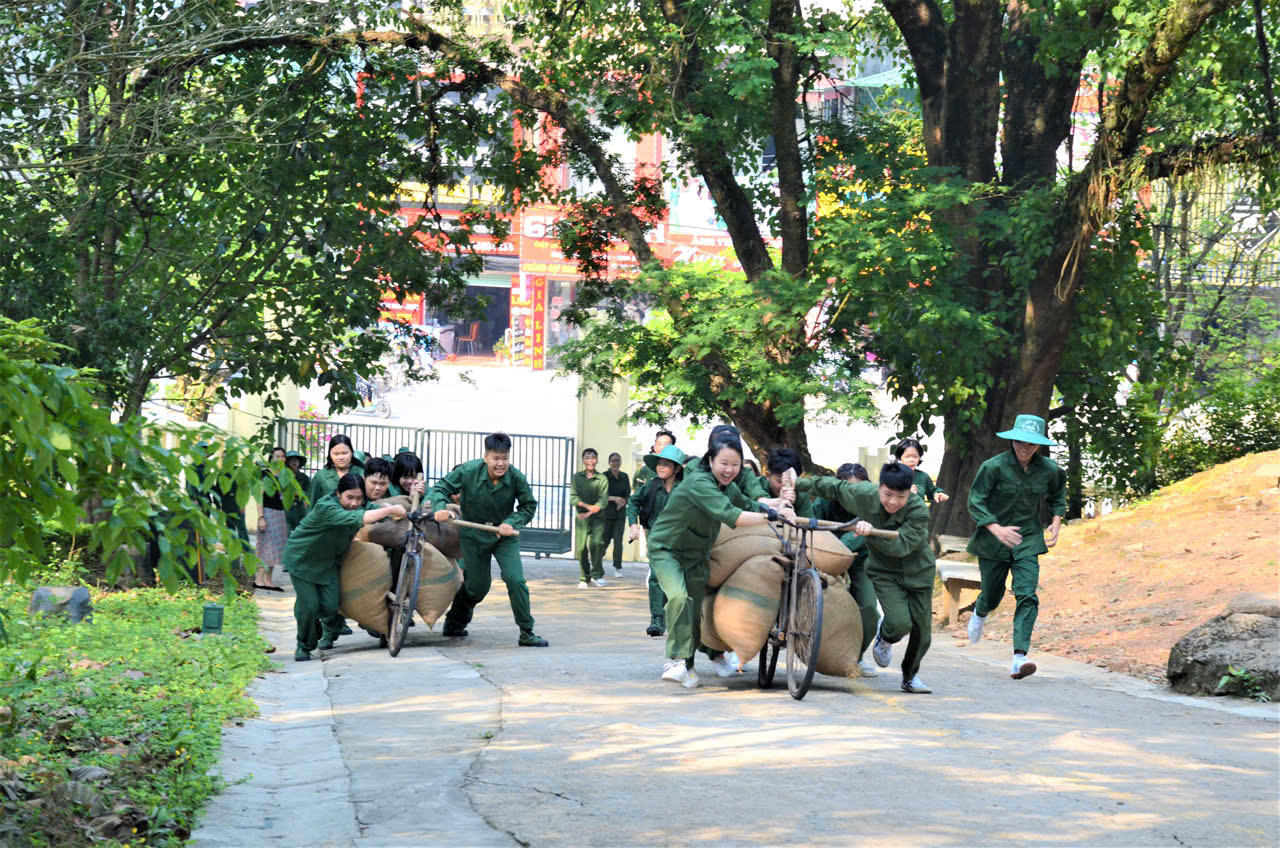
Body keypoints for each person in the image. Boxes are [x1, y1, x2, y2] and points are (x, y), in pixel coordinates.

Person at [647, 432, 792, 689]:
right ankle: (679, 659)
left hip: (696, 555)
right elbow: (732, 515)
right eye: (724, 463)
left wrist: (777, 503)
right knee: (679, 598)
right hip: (667, 550)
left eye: (735, 465)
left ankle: (688, 666)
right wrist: (773, 516)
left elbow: (746, 502)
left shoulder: (728, 486)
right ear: (711, 460)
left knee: (693, 612)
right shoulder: (700, 483)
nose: (729, 470)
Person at [792, 461, 936, 693]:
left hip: (918, 572)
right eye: (888, 494)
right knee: (900, 623)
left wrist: (871, 535)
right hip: (884, 571)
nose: (892, 502)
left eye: (900, 496)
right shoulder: (865, 494)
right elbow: (834, 487)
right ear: (879, 488)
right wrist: (797, 483)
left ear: (909, 492)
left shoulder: (918, 510)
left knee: (923, 633)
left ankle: (910, 676)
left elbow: (903, 545)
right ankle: (886, 637)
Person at [965, 414, 1067, 680]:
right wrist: (995, 528)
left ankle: (1019, 658)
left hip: (1028, 539)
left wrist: (1056, 522)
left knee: (1027, 594)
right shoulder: (993, 467)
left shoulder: (1050, 470)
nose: (1024, 447)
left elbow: (1057, 496)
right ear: (1012, 439)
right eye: (1020, 441)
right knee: (993, 594)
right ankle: (980, 609)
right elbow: (975, 501)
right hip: (992, 541)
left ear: (1039, 445)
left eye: (1031, 444)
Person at [430, 432, 549, 647]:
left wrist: (511, 522)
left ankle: (527, 631)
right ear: (485, 456)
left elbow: (528, 506)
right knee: (478, 588)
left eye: (505, 458)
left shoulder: (516, 477)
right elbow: (440, 488)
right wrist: (440, 509)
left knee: (515, 579)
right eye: (496, 458)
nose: (501, 463)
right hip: (473, 534)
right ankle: (455, 621)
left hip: (503, 536)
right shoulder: (468, 471)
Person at [282, 473, 406, 661]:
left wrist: (389, 508)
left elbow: (372, 509)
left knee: (331, 607)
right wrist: (390, 511)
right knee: (309, 605)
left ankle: (310, 617)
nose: (354, 503)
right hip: (303, 559)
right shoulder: (326, 507)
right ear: (338, 493)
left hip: (329, 562)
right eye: (350, 497)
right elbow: (363, 517)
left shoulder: (360, 504)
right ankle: (304, 646)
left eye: (359, 498)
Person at [627, 444, 687, 637]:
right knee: (655, 576)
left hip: (680, 539)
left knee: (681, 579)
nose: (661, 467)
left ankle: (678, 618)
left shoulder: (684, 488)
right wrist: (632, 524)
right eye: (659, 463)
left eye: (666, 464)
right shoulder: (651, 486)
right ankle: (657, 620)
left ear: (676, 469)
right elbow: (633, 503)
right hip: (655, 537)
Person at [570, 448, 610, 587]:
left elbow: (603, 501)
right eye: (587, 457)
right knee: (581, 548)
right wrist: (587, 508)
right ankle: (584, 577)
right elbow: (573, 498)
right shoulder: (576, 478)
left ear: (597, 460)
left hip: (598, 518)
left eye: (593, 457)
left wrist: (589, 512)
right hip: (581, 518)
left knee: (597, 545)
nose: (590, 460)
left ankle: (597, 574)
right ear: (583, 460)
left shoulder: (602, 479)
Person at [254, 447, 289, 592]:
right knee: (266, 547)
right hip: (267, 514)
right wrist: (261, 517)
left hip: (279, 514)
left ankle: (269, 581)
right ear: (271, 459)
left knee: (275, 549)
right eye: (277, 456)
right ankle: (259, 580)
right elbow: (258, 498)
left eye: (282, 456)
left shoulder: (284, 475)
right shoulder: (265, 475)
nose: (280, 459)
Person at [602, 452, 631, 579]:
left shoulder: (624, 476)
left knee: (618, 542)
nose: (615, 463)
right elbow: (601, 495)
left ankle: (617, 567)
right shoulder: (604, 476)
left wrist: (623, 501)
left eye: (618, 460)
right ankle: (597, 564)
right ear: (609, 462)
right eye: (613, 460)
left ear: (621, 462)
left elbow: (627, 494)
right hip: (607, 514)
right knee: (604, 541)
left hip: (620, 514)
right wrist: (615, 499)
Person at [894, 437, 949, 506]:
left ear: (919, 458)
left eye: (915, 456)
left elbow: (932, 491)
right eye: (907, 457)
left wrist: (937, 494)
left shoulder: (923, 476)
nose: (911, 460)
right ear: (900, 457)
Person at [762, 448, 815, 517]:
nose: (785, 487)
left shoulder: (801, 493)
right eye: (780, 480)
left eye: (791, 481)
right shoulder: (757, 487)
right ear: (768, 476)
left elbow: (807, 522)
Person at [308, 435, 356, 506]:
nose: (340, 457)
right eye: (336, 454)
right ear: (330, 454)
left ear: (351, 452)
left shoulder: (361, 473)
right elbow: (312, 504)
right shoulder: (321, 476)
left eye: (344, 453)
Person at [283, 451, 311, 532]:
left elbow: (308, 494)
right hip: (286, 508)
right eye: (292, 459)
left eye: (296, 460)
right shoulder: (283, 476)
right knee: (286, 532)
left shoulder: (304, 477)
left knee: (299, 532)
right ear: (287, 462)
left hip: (300, 509)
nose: (294, 462)